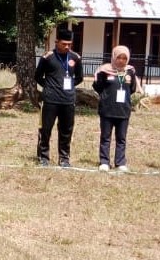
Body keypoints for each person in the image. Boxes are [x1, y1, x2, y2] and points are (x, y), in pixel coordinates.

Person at [34, 28, 83, 168]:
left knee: (66, 131)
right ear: (57, 42)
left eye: (69, 44)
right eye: (64, 44)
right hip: (50, 99)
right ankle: (43, 157)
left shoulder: (75, 58)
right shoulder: (47, 57)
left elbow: (79, 77)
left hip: (68, 100)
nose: (67, 47)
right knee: (45, 129)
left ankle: (64, 158)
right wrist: (49, 87)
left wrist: (69, 87)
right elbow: (37, 76)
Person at [92, 45, 137, 172]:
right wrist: (106, 96)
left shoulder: (130, 71)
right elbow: (97, 86)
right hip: (107, 109)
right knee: (105, 137)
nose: (121, 61)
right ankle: (104, 162)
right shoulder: (105, 70)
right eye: (119, 57)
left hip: (123, 110)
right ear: (114, 57)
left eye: (124, 58)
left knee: (121, 138)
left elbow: (132, 89)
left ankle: (120, 163)